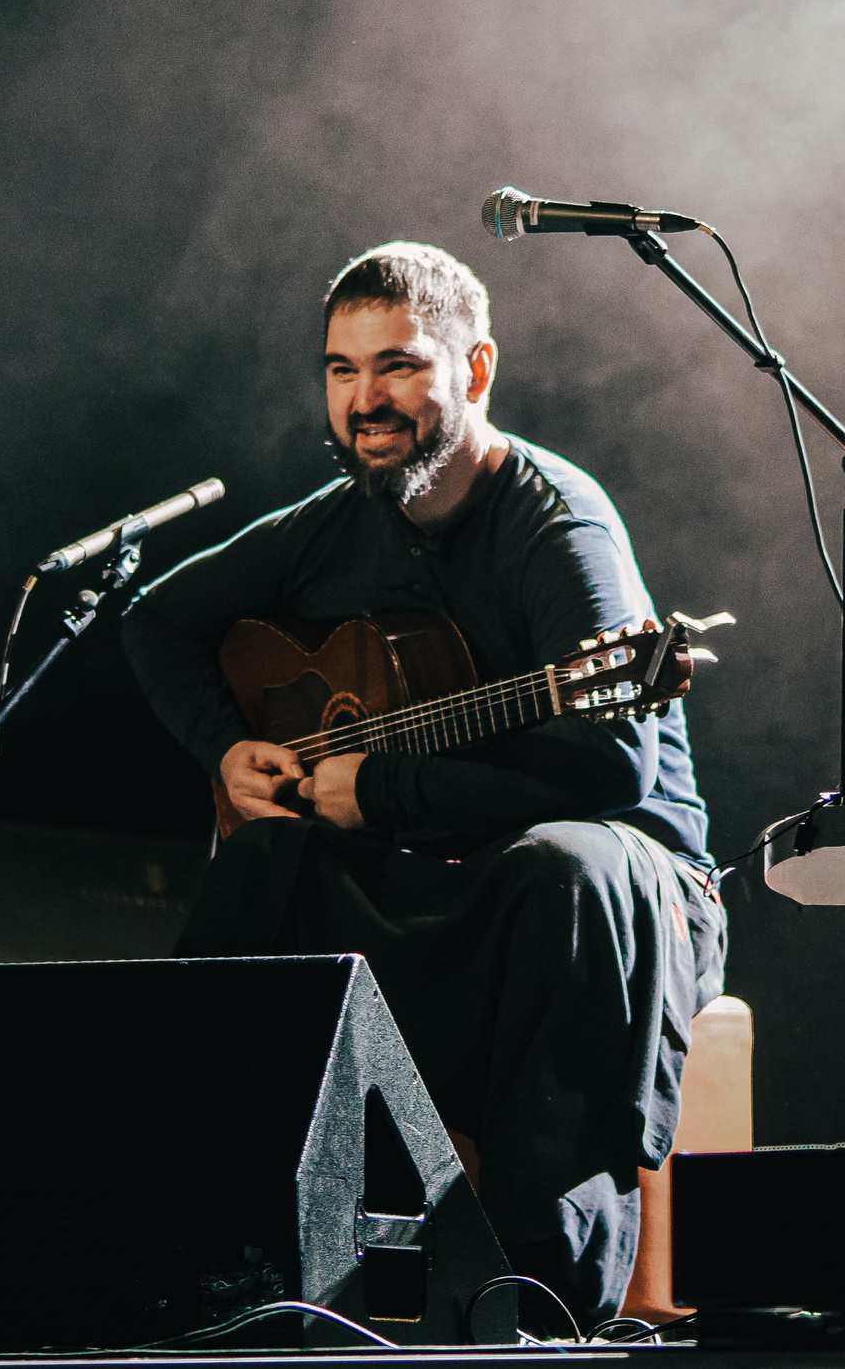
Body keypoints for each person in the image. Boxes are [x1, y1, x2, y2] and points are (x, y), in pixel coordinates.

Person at [119, 241, 727, 1323]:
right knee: (267, 858)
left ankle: (542, 1287)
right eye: (341, 371)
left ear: (475, 370)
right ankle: (226, 1253)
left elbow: (614, 766)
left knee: (563, 869)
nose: (366, 400)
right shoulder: (338, 519)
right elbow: (155, 620)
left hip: (629, 884)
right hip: (441, 866)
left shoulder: (558, 526)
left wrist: (390, 793)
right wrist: (226, 750)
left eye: (396, 366)